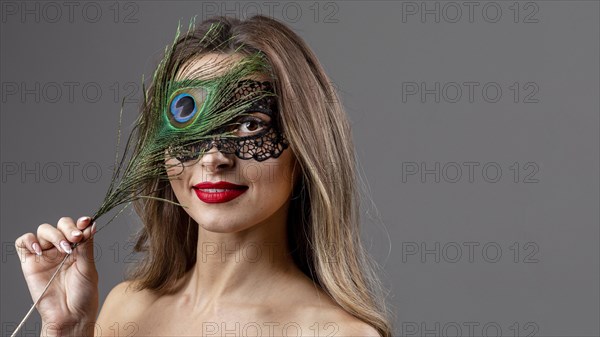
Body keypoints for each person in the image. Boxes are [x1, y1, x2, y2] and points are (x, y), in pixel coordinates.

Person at [15, 15, 392, 337]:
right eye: (189, 119)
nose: (214, 158)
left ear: (306, 148)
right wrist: (69, 329)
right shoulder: (126, 310)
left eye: (248, 124)